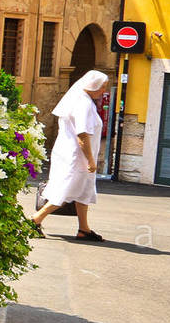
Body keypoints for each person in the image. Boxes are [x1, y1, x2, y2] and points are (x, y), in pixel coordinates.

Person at [31, 70, 110, 241]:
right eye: (102, 87)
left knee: (84, 191)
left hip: (72, 154)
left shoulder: (81, 99)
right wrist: (90, 160)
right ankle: (35, 219)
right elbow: (82, 135)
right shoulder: (84, 104)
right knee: (66, 190)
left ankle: (84, 229)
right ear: (93, 85)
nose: (104, 90)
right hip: (77, 157)